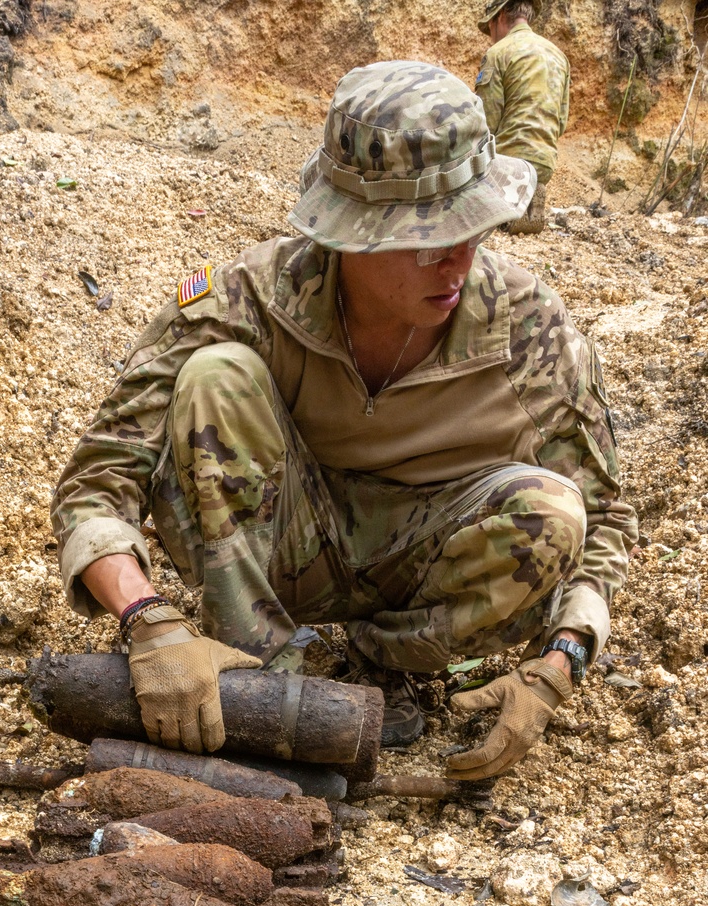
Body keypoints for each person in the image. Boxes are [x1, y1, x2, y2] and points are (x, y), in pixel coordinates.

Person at [51, 61, 635, 781]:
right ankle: (264, 656)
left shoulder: (530, 330)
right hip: (286, 541)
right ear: (353, 235)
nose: (458, 259)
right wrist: (147, 620)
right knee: (215, 377)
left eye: (476, 226)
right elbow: (99, 475)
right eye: (428, 240)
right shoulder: (249, 298)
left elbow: (606, 516)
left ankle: (373, 664)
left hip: (424, 564)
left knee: (558, 511)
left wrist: (560, 660)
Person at [475, 0, 570, 234]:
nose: (491, 37)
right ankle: (529, 188)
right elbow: (561, 122)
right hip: (545, 162)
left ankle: (505, 202)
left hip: (509, 163)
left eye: (489, 29)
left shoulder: (498, 53)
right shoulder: (559, 56)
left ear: (499, 18)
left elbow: (487, 122)